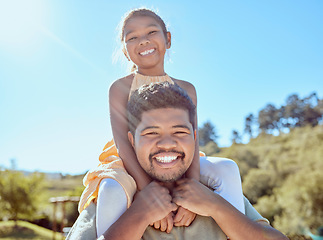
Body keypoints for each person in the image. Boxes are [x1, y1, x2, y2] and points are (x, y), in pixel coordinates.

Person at [78, 7, 244, 236]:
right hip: (129, 159)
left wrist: (192, 190)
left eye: (151, 32)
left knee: (227, 168)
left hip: (176, 155)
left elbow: (192, 139)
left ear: (167, 38)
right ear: (126, 51)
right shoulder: (120, 88)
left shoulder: (186, 89)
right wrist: (149, 192)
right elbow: (122, 143)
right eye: (132, 37)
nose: (143, 41)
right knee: (110, 188)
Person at [67, 82, 288, 240]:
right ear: (131, 142)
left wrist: (216, 207)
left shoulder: (218, 192)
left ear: (194, 138)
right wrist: (139, 215)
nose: (166, 143)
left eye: (179, 132)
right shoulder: (112, 200)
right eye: (151, 133)